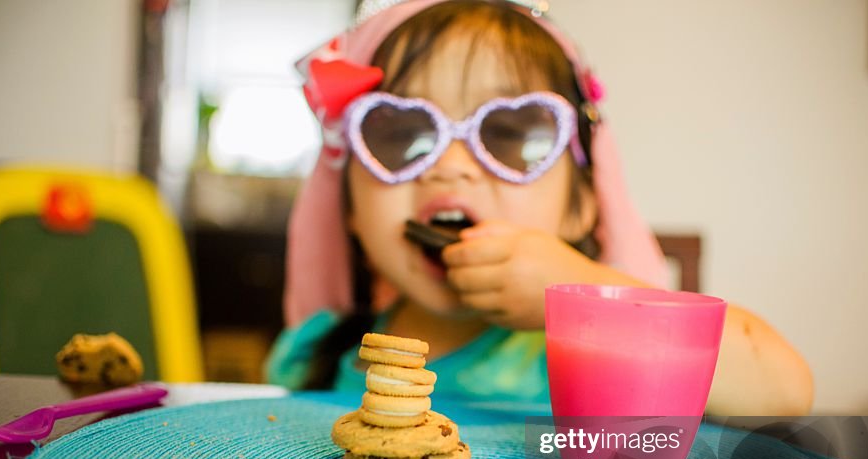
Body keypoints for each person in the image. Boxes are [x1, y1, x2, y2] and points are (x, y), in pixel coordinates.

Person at [266, 0, 813, 415]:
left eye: (509, 134)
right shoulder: (315, 354)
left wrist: (583, 300)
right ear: (351, 212)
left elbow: (786, 390)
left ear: (582, 206)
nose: (452, 165)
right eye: (402, 134)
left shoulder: (592, 355)